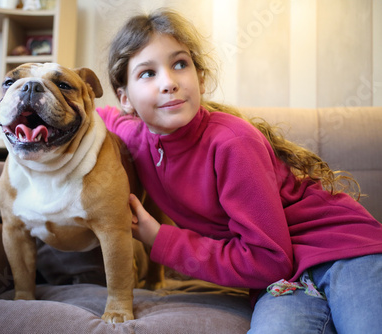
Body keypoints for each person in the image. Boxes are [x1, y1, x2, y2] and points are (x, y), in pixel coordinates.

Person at [97, 8, 382, 333]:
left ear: (200, 79)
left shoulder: (232, 142)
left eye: (180, 64)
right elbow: (97, 113)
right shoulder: (135, 137)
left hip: (346, 252)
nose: (169, 83)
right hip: (282, 280)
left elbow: (269, 258)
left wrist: (159, 238)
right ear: (125, 98)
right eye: (147, 73)